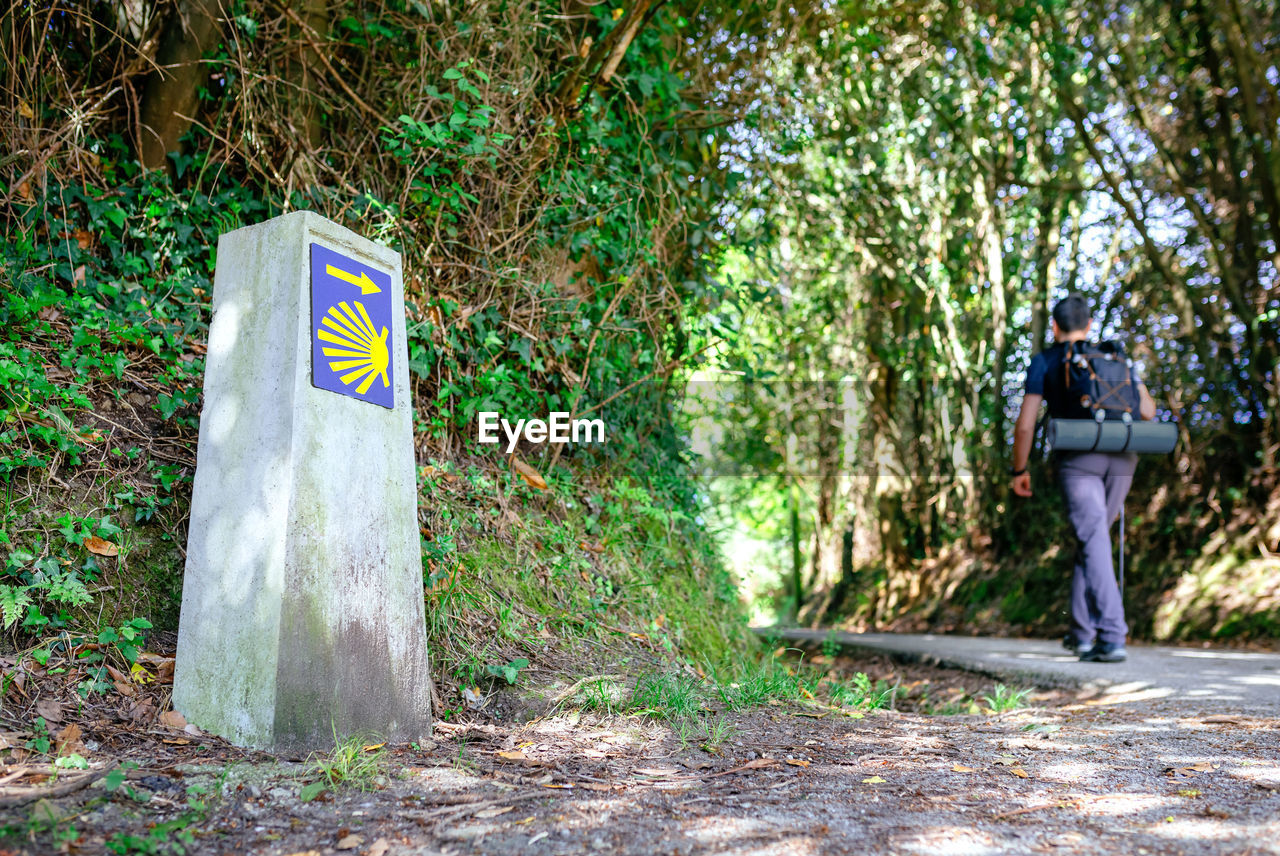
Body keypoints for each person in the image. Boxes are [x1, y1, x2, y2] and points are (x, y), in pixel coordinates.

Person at [1009, 293, 1156, 663]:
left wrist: (1019, 470)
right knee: (1092, 539)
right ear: (1089, 325)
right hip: (1124, 456)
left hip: (1078, 460)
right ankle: (1081, 632)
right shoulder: (1113, 357)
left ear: (1055, 326)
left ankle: (1111, 634)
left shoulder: (1045, 360)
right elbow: (1149, 411)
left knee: (1091, 538)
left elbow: (1026, 425)